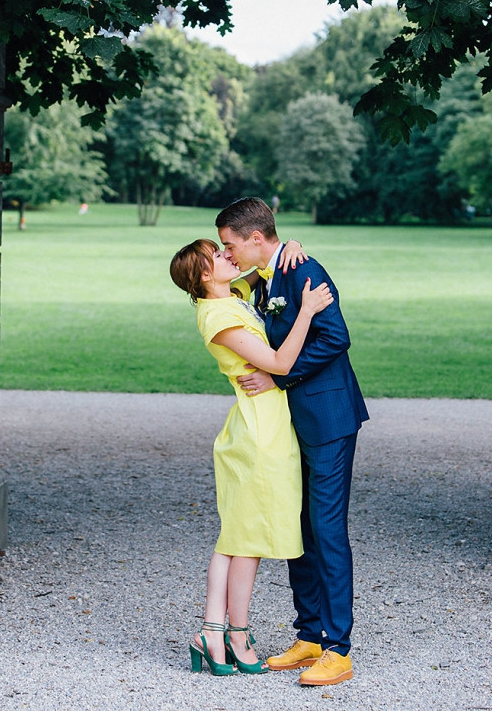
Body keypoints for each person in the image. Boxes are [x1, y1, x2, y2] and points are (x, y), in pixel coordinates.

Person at [215, 197, 369, 687]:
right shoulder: (263, 275)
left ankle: (338, 649)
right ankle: (309, 635)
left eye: (230, 244)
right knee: (297, 527)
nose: (228, 253)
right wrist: (287, 242)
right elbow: (215, 285)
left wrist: (279, 377)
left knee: (326, 529)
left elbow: (335, 338)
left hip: (327, 417)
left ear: (255, 238)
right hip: (292, 425)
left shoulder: (304, 269)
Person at [169, 238, 334, 677]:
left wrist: (286, 246)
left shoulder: (231, 296)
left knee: (239, 537)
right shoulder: (218, 316)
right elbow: (280, 363)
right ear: (204, 276)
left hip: (265, 423)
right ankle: (233, 634)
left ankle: (212, 631)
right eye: (217, 255)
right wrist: (307, 309)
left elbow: (261, 266)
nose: (228, 256)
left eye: (224, 248)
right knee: (247, 541)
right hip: (258, 432)